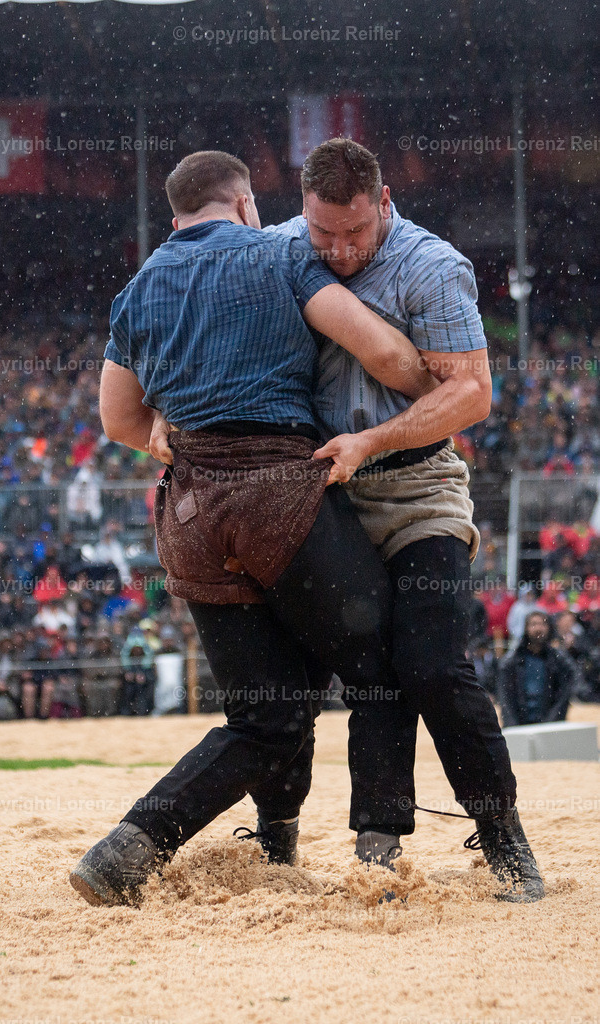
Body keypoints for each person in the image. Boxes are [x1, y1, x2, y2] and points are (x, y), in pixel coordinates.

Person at [70, 148, 439, 907]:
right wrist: (436, 388)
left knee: (267, 708)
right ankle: (377, 852)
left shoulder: (137, 290)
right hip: (281, 496)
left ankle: (144, 846)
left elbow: (118, 420)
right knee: (378, 666)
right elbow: (381, 350)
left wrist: (165, 439)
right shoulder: (278, 255)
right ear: (244, 205)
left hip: (191, 511)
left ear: (176, 217)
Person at [234, 138, 542, 897]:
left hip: (417, 487)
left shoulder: (432, 266)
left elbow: (471, 394)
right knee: (322, 677)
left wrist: (372, 439)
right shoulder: (275, 251)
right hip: (317, 492)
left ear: (385, 206)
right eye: (321, 234)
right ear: (299, 213)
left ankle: (503, 837)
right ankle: (344, 842)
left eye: (355, 234)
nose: (338, 251)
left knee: (432, 665)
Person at [497, 611, 575, 726]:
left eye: (543, 624)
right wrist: (512, 726)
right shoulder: (511, 661)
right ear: (526, 628)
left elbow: (563, 695)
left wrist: (552, 722)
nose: (538, 628)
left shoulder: (558, 660)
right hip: (519, 723)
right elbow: (505, 698)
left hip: (549, 723)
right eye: (534, 624)